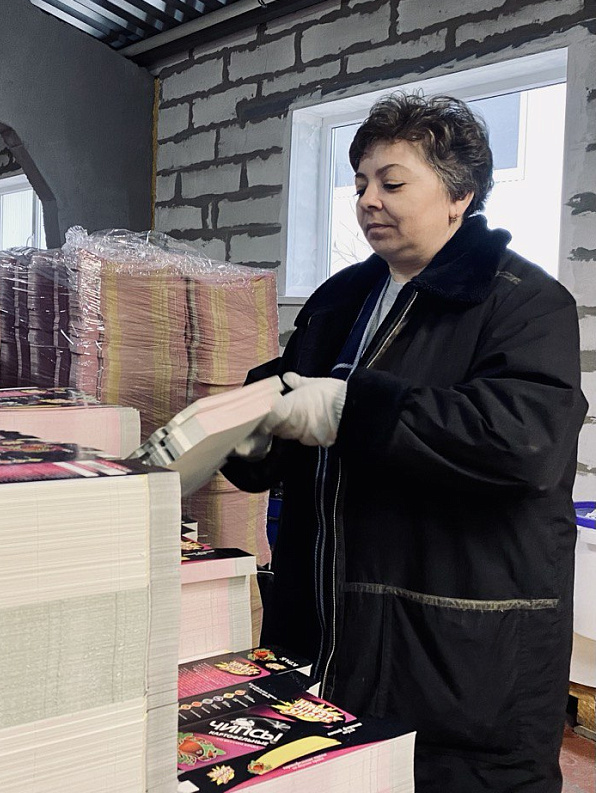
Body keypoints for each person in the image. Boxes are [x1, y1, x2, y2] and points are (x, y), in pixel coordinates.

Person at [222, 92, 586, 792]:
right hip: (324, 631)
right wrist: (242, 430)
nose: (368, 200)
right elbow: (295, 431)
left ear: (459, 195)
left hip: (455, 653)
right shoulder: (340, 301)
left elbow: (523, 442)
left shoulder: (523, 302)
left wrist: (355, 409)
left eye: (391, 183)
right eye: (360, 183)